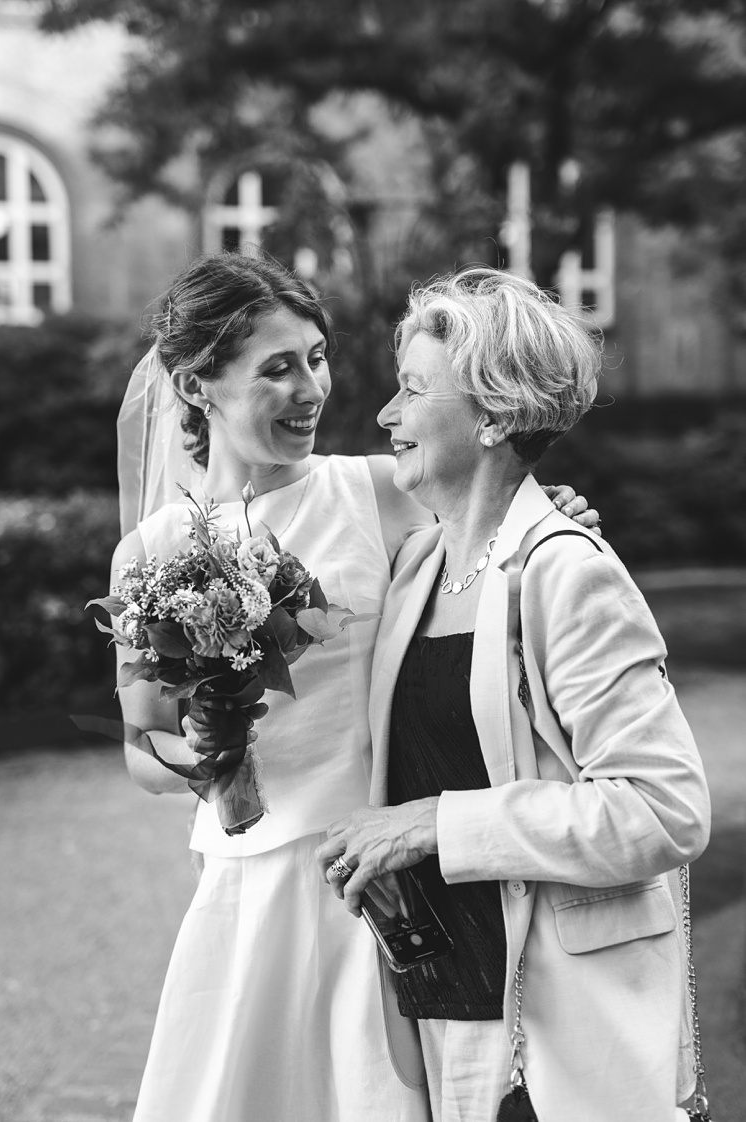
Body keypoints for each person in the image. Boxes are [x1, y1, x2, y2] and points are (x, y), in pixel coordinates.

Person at [110, 252, 597, 1122]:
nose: (311, 388)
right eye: (278, 368)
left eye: (317, 357)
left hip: (375, 872)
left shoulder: (378, 492)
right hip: (245, 879)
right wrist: (206, 755)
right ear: (196, 384)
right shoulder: (147, 553)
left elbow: (497, 524)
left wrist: (556, 515)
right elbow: (141, 748)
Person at [316, 268, 710, 1122]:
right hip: (437, 1005)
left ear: (494, 416)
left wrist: (432, 823)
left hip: (556, 1025)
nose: (385, 415)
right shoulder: (418, 567)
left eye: (413, 390)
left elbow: (665, 808)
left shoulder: (566, 572)